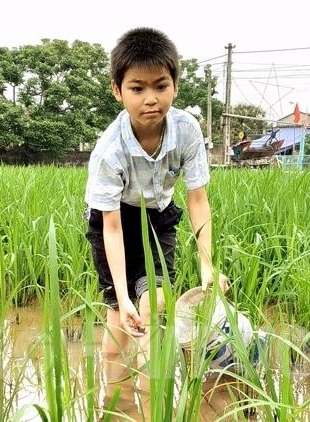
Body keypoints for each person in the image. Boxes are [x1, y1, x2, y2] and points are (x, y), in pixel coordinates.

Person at [83, 27, 228, 391]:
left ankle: (151, 397)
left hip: (158, 215)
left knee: (156, 302)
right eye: (137, 88)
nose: (151, 99)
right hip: (112, 220)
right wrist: (121, 295)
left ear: (175, 86)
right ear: (117, 90)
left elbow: (197, 199)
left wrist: (207, 266)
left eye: (160, 86)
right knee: (120, 316)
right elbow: (112, 228)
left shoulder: (187, 130)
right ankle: (115, 400)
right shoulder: (109, 150)